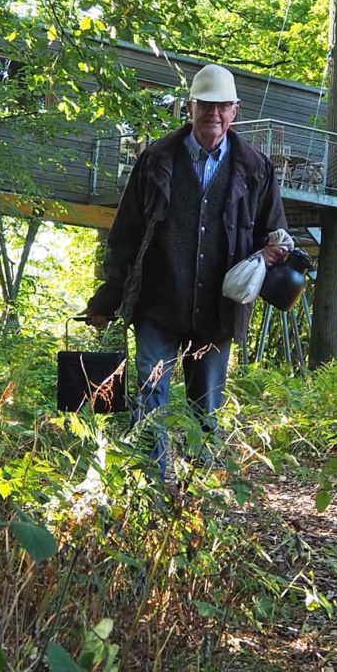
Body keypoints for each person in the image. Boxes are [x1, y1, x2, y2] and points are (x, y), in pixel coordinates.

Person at [83, 64, 288, 476]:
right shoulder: (156, 160)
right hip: (158, 306)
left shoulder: (256, 169)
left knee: (206, 409)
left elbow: (275, 233)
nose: (214, 114)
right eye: (205, 105)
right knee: (148, 395)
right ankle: (152, 491)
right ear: (190, 108)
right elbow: (125, 235)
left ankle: (198, 495)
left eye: (222, 106)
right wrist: (106, 298)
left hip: (218, 312)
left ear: (235, 111)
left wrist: (270, 254)